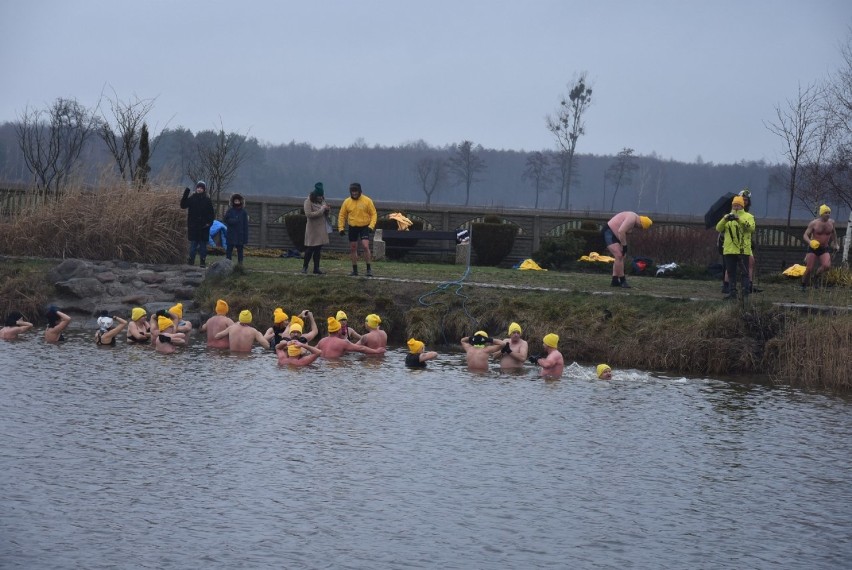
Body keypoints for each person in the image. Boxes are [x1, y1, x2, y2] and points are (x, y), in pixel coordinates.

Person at [715, 195, 756, 300]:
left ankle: (745, 293)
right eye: (734, 205)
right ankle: (732, 292)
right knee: (731, 272)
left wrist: (739, 220)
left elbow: (751, 228)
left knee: (744, 272)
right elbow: (718, 228)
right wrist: (725, 219)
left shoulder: (748, 216)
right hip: (729, 249)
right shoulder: (728, 216)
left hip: (743, 249)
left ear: (742, 206)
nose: (736, 207)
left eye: (738, 205)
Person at [603, 211, 653, 288]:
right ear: (640, 223)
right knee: (619, 256)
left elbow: (624, 230)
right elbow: (621, 231)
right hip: (609, 232)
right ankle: (623, 281)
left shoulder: (633, 217)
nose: (638, 228)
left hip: (615, 234)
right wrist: (624, 245)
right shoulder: (632, 218)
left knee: (621, 256)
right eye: (640, 227)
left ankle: (615, 280)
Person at [338, 182, 377, 277]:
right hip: (352, 227)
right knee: (353, 248)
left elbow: (374, 214)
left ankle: (368, 269)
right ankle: (355, 270)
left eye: (356, 192)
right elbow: (342, 215)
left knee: (365, 246)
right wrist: (341, 228)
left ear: (360, 191)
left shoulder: (367, 201)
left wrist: (371, 226)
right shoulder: (347, 202)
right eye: (352, 192)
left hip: (364, 226)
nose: (354, 193)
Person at [801, 204, 840, 290]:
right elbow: (805, 235)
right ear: (821, 213)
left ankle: (815, 277)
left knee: (826, 266)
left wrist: (835, 243)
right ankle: (803, 285)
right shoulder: (814, 223)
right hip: (813, 249)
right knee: (809, 268)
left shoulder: (831, 222)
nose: (828, 214)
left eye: (829, 212)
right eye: (826, 212)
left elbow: (833, 233)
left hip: (824, 248)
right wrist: (810, 242)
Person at [180, 180, 216, 268]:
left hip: (204, 227)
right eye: (198, 188)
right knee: (193, 246)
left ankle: (202, 262)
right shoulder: (192, 198)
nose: (199, 189)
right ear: (196, 188)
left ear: (204, 189)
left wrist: (209, 223)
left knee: (203, 247)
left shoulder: (207, 200)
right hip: (194, 227)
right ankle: (191, 261)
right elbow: (183, 205)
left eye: (201, 188)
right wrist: (186, 192)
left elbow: (211, 214)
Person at [317, 317, 385, 358]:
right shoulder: (343, 342)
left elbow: (312, 350)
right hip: (336, 365)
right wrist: (376, 351)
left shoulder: (321, 341)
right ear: (338, 330)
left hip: (324, 364)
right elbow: (361, 348)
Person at [303, 182, 332, 274]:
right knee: (310, 249)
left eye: (321, 196)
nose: (320, 198)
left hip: (321, 229)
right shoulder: (308, 201)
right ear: (315, 195)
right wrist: (321, 210)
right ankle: (305, 267)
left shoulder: (323, 201)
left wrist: (327, 210)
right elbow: (308, 214)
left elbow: (325, 213)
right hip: (312, 229)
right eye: (319, 196)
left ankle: (316, 268)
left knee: (318, 250)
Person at [223, 193, 249, 265]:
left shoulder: (244, 212)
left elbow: (245, 225)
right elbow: (225, 219)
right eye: (235, 201)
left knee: (240, 251)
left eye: (238, 201)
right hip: (231, 234)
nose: (237, 202)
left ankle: (240, 265)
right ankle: (228, 264)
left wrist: (245, 238)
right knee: (229, 250)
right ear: (233, 201)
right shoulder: (230, 211)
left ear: (241, 201)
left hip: (240, 235)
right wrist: (234, 221)